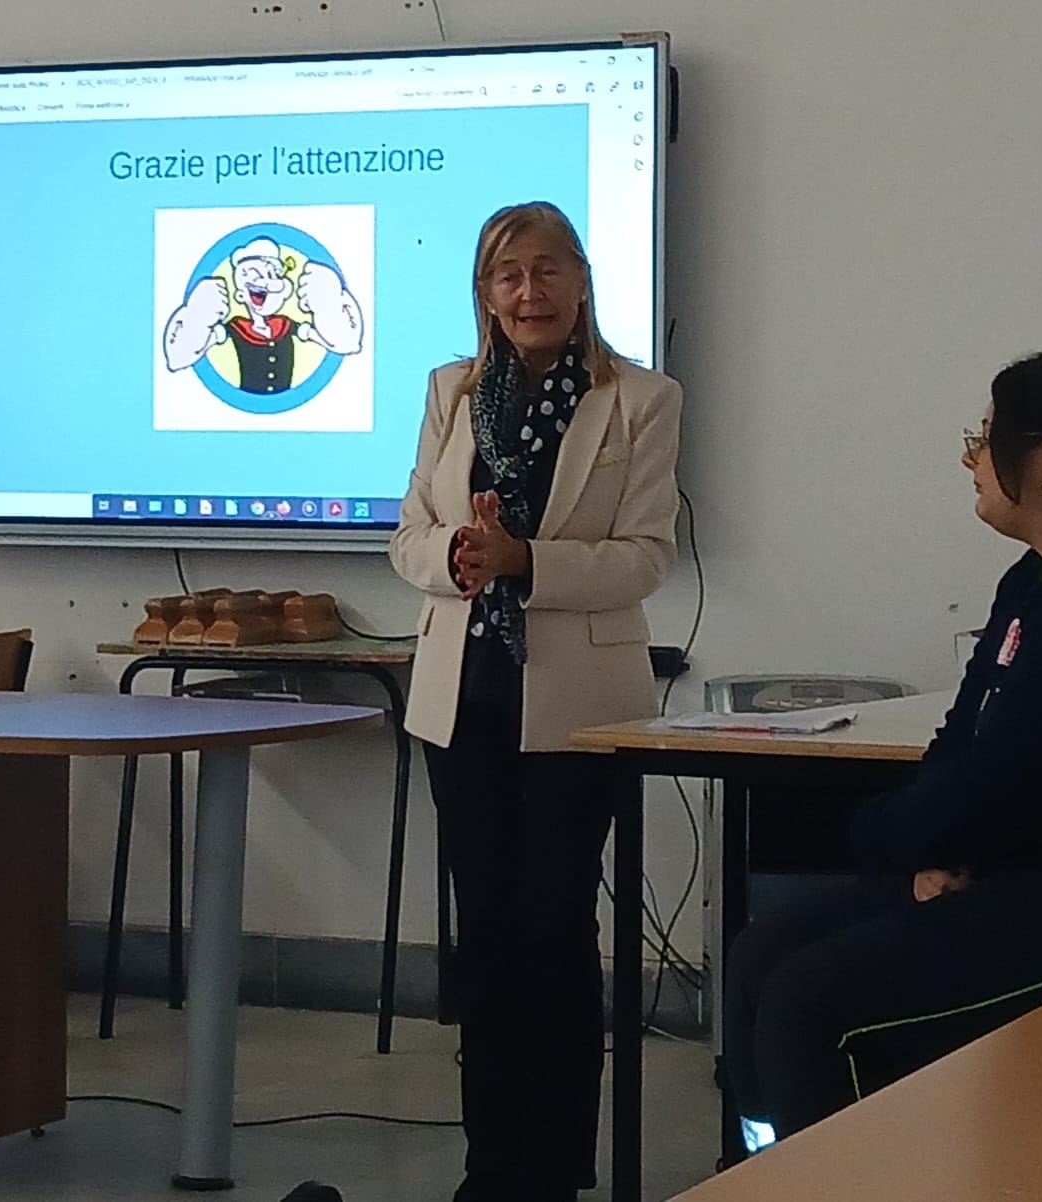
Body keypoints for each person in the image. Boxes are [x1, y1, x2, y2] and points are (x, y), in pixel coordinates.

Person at [722, 347, 1042, 1150]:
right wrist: (928, 852)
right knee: (763, 952)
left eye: (984, 437)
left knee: (810, 1005)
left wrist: (897, 840)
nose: (970, 458)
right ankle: (764, 1170)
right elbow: (966, 742)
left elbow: (1014, 780)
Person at [389, 201, 683, 1200]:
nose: (530, 292)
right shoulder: (451, 391)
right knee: (484, 937)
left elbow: (645, 557)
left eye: (548, 269)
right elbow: (407, 536)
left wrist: (527, 561)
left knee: (552, 932)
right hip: (460, 700)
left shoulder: (640, 399)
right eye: (508, 275)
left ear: (582, 280)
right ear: (484, 293)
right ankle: (491, 1168)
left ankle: (552, 1170)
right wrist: (458, 554)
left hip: (576, 711)